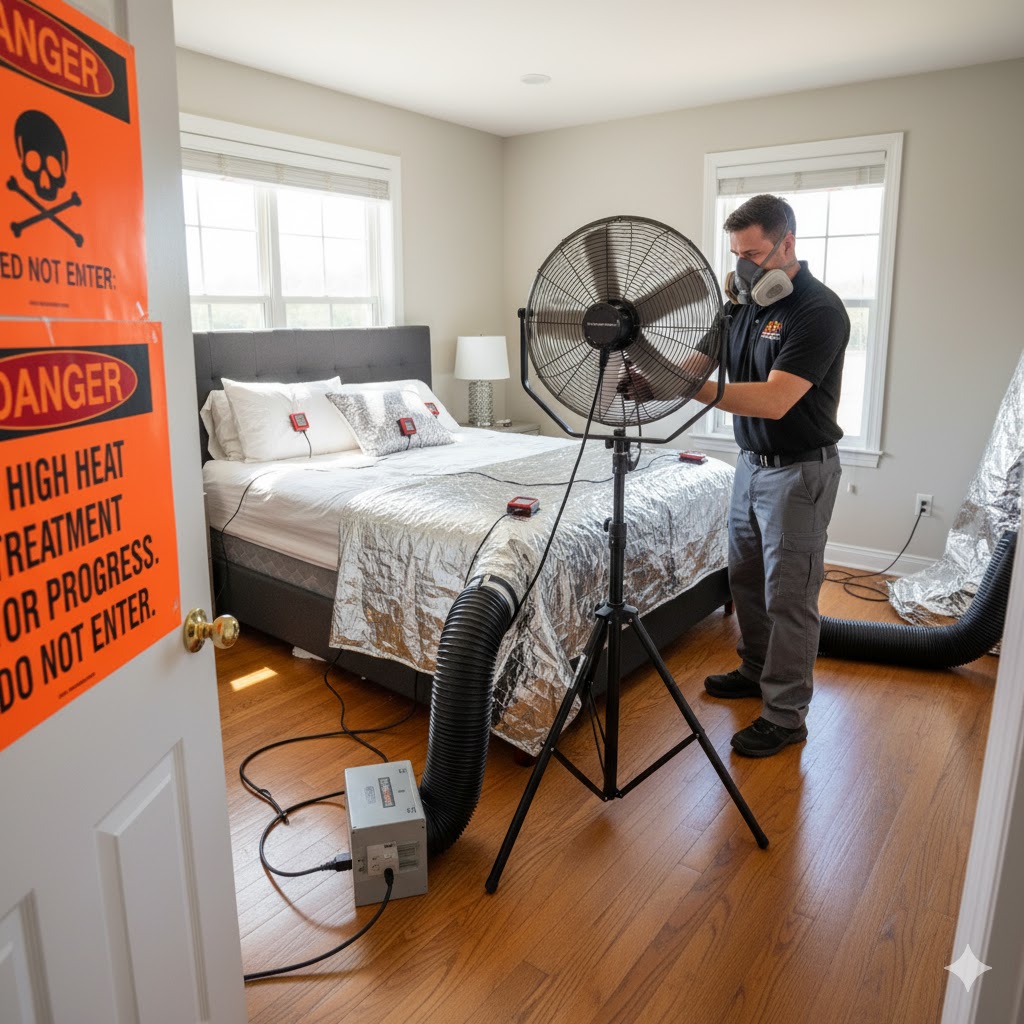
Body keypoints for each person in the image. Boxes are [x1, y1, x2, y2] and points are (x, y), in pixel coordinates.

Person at [694, 194, 850, 758]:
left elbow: (777, 399)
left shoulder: (818, 310)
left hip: (798, 474)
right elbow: (698, 364)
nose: (744, 266)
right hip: (750, 468)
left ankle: (785, 716)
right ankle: (756, 669)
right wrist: (651, 372)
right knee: (746, 582)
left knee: (790, 598)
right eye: (737, 253)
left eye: (754, 253)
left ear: (787, 244)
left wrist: (691, 389)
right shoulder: (740, 305)